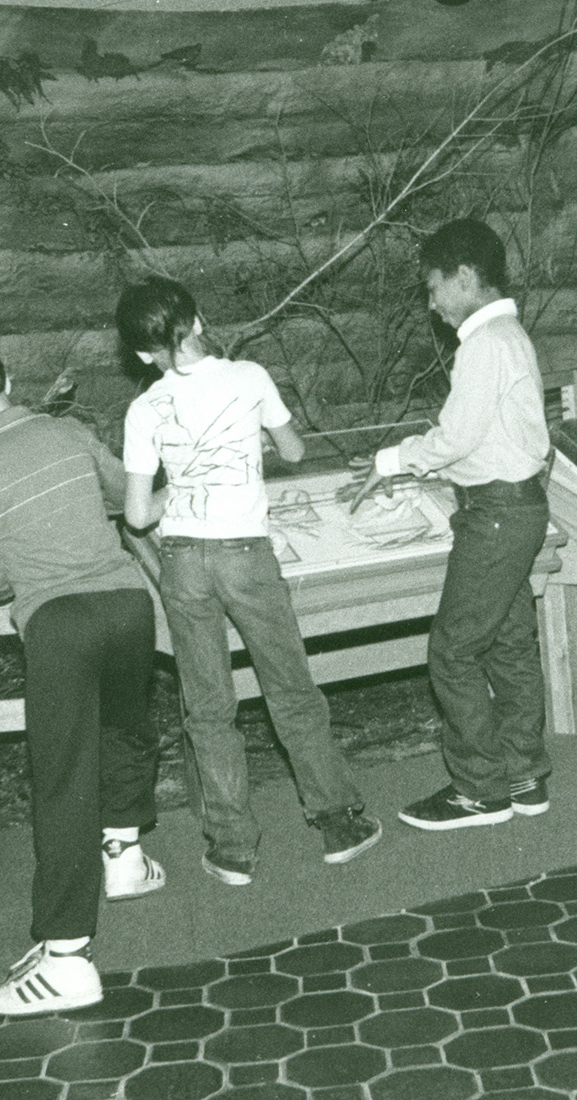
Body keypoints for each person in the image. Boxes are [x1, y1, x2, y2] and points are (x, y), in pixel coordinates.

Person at [0, 332, 163, 1017]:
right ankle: (126, 857)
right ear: (2, 380)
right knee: (126, 728)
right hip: (128, 605)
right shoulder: (69, 430)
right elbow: (125, 495)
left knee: (61, 782)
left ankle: (65, 957)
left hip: (60, 627)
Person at [117, 275, 380, 886]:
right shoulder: (250, 376)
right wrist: (250, 441)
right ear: (199, 318)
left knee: (208, 706)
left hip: (182, 558)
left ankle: (233, 846)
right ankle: (338, 821)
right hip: (246, 554)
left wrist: (182, 483)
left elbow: (135, 516)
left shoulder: (143, 408)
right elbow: (292, 451)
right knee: (289, 686)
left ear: (140, 352)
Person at [358, 219, 554, 830]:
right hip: (515, 508)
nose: (432, 303)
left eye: (434, 286)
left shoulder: (484, 343)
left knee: (452, 652)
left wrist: (390, 460)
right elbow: (487, 437)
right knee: (508, 642)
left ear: (465, 278)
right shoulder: (509, 334)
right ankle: (523, 774)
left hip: (496, 517)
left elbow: (458, 435)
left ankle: (479, 789)